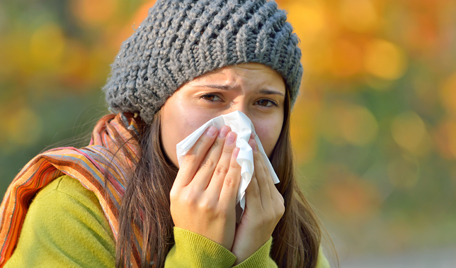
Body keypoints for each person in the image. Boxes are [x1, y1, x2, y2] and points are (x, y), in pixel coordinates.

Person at [0, 0, 331, 267]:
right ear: (155, 106)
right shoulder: (74, 209)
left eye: (264, 102)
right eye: (213, 97)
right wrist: (200, 254)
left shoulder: (287, 228)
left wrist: (257, 254)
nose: (239, 127)